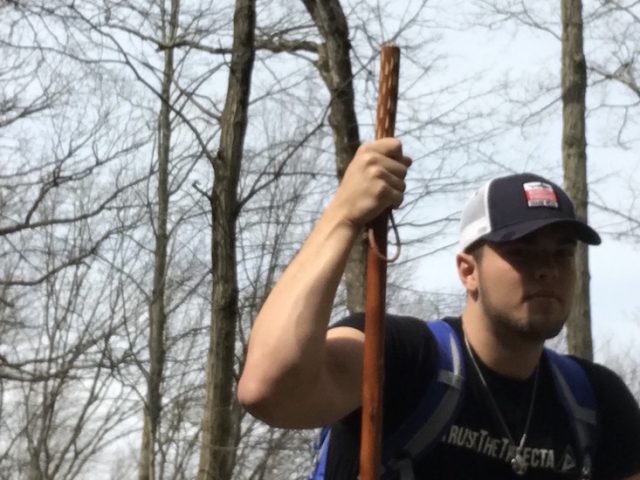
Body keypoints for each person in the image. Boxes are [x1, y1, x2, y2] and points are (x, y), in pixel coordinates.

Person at [237, 138, 640, 479]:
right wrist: (342, 217)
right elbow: (269, 390)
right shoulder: (401, 358)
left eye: (561, 254)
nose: (546, 270)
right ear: (468, 271)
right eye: (522, 252)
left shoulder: (595, 403)